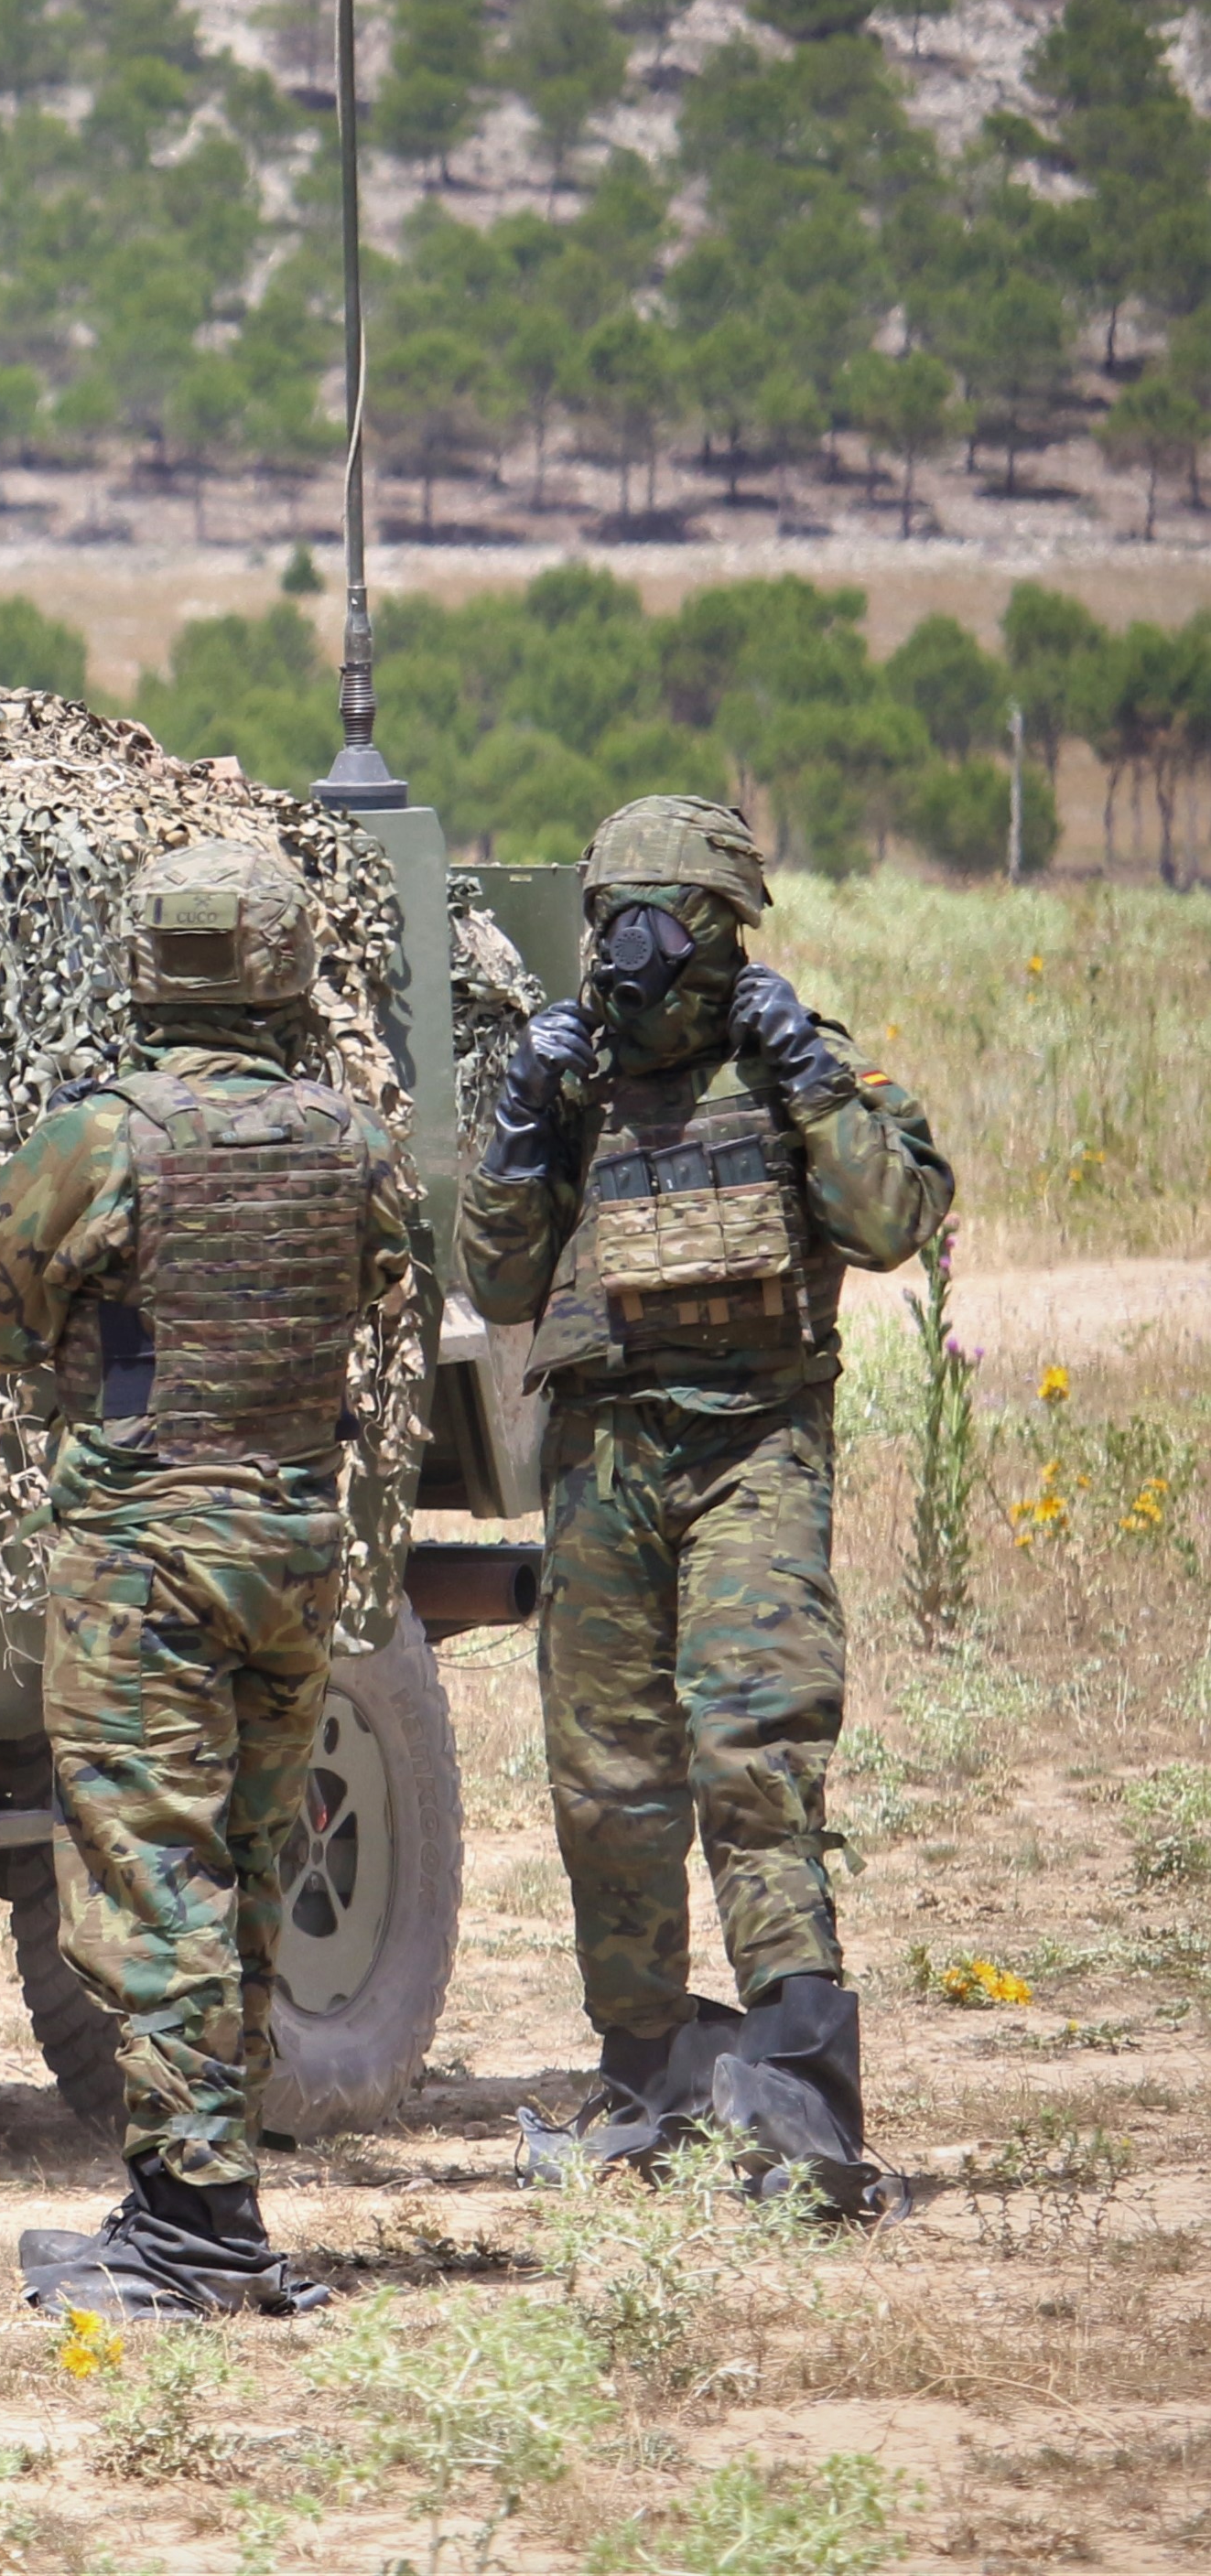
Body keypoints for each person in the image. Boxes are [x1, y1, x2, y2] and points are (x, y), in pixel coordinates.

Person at [0, 836, 416, 2320]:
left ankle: (194, 2227)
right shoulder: (351, 1141)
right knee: (245, 1871)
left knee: (153, 1881)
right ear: (287, 971)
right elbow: (386, 1279)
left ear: (147, 967)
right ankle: (199, 2202)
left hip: (148, 1557)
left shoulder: (104, 1139)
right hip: (291, 1551)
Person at [464, 796, 948, 2219]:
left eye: (662, 924)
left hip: (755, 1451)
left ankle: (799, 2093)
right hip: (606, 1454)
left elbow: (893, 1220)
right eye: (615, 924)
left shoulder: (799, 1066)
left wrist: (808, 1077)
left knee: (754, 1752)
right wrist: (519, 1119)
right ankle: (652, 2082)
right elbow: (498, 1282)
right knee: (609, 1783)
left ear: (724, 932)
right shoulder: (576, 1086)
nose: (638, 954)